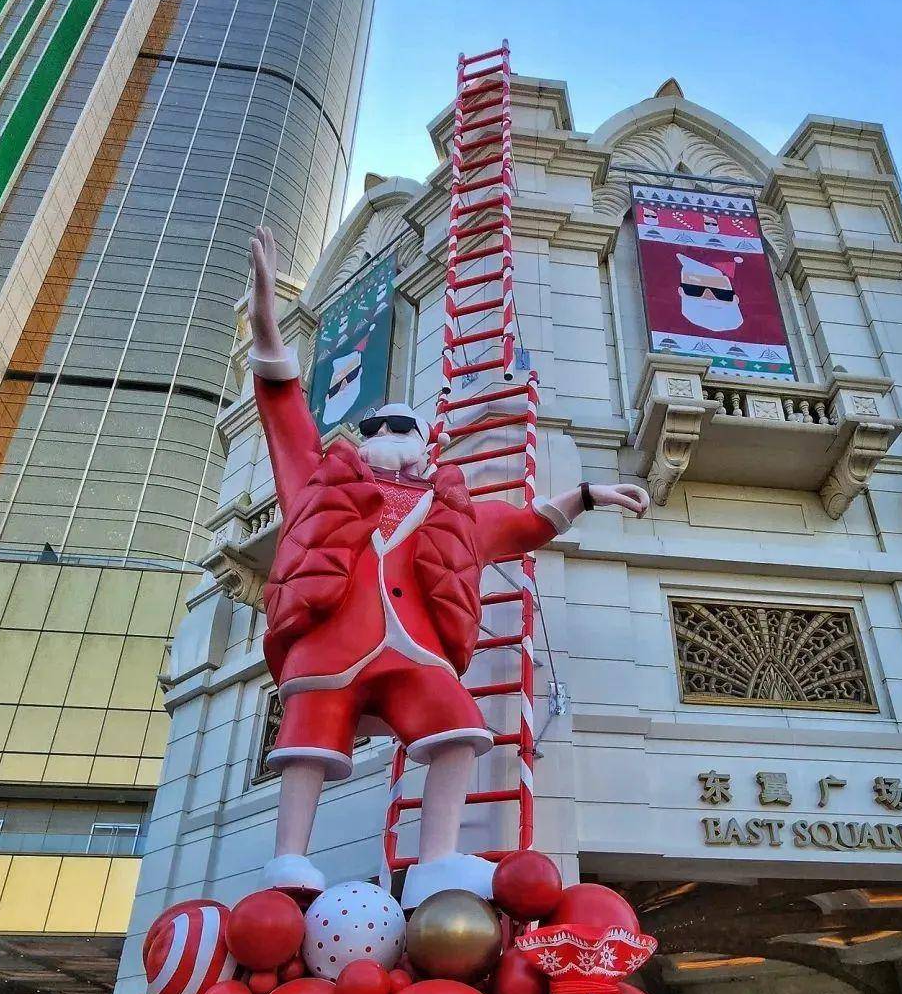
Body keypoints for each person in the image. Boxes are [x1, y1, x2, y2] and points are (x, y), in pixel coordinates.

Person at [247, 224, 650, 908]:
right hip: (329, 649)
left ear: (422, 445)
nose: (391, 442)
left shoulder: (447, 511)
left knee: (458, 728)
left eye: (404, 431)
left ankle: (435, 861)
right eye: (379, 431)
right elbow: (285, 412)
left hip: (415, 654)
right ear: (360, 441)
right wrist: (264, 325)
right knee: (308, 747)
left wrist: (585, 495)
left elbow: (518, 524)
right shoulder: (317, 483)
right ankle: (288, 858)